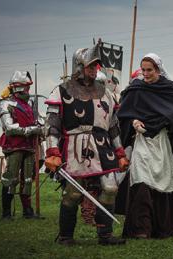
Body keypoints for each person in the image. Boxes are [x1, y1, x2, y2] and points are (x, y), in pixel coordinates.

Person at [44, 42, 129, 246]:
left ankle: (105, 235)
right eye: (91, 66)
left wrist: (120, 152)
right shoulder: (62, 90)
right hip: (76, 147)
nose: (94, 70)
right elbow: (52, 125)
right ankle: (66, 235)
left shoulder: (105, 92)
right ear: (79, 66)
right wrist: (52, 151)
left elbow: (113, 126)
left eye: (96, 67)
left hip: (103, 147)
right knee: (73, 192)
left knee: (110, 187)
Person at [117, 53, 173, 239]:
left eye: (149, 70)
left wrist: (166, 120)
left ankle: (164, 228)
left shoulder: (169, 89)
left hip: (162, 141)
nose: (146, 73)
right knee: (141, 180)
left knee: (163, 182)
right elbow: (122, 113)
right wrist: (133, 121)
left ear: (158, 69)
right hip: (142, 142)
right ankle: (141, 228)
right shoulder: (136, 89)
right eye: (143, 70)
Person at [0, 70, 42, 219]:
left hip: (29, 145)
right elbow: (9, 128)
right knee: (11, 179)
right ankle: (6, 212)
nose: (28, 90)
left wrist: (40, 126)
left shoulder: (29, 103)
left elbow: (37, 120)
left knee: (28, 179)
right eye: (26, 87)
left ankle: (27, 211)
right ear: (18, 87)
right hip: (14, 145)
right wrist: (31, 129)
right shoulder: (4, 103)